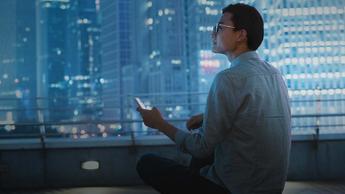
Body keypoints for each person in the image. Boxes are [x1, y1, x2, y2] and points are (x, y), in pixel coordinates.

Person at [136, 3, 291, 194]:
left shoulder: (228, 78)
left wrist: (159, 124)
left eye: (219, 27)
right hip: (270, 188)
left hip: (233, 189)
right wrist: (207, 117)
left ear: (241, 35)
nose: (213, 33)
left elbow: (201, 148)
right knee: (208, 146)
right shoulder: (275, 74)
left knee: (147, 163)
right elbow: (255, 116)